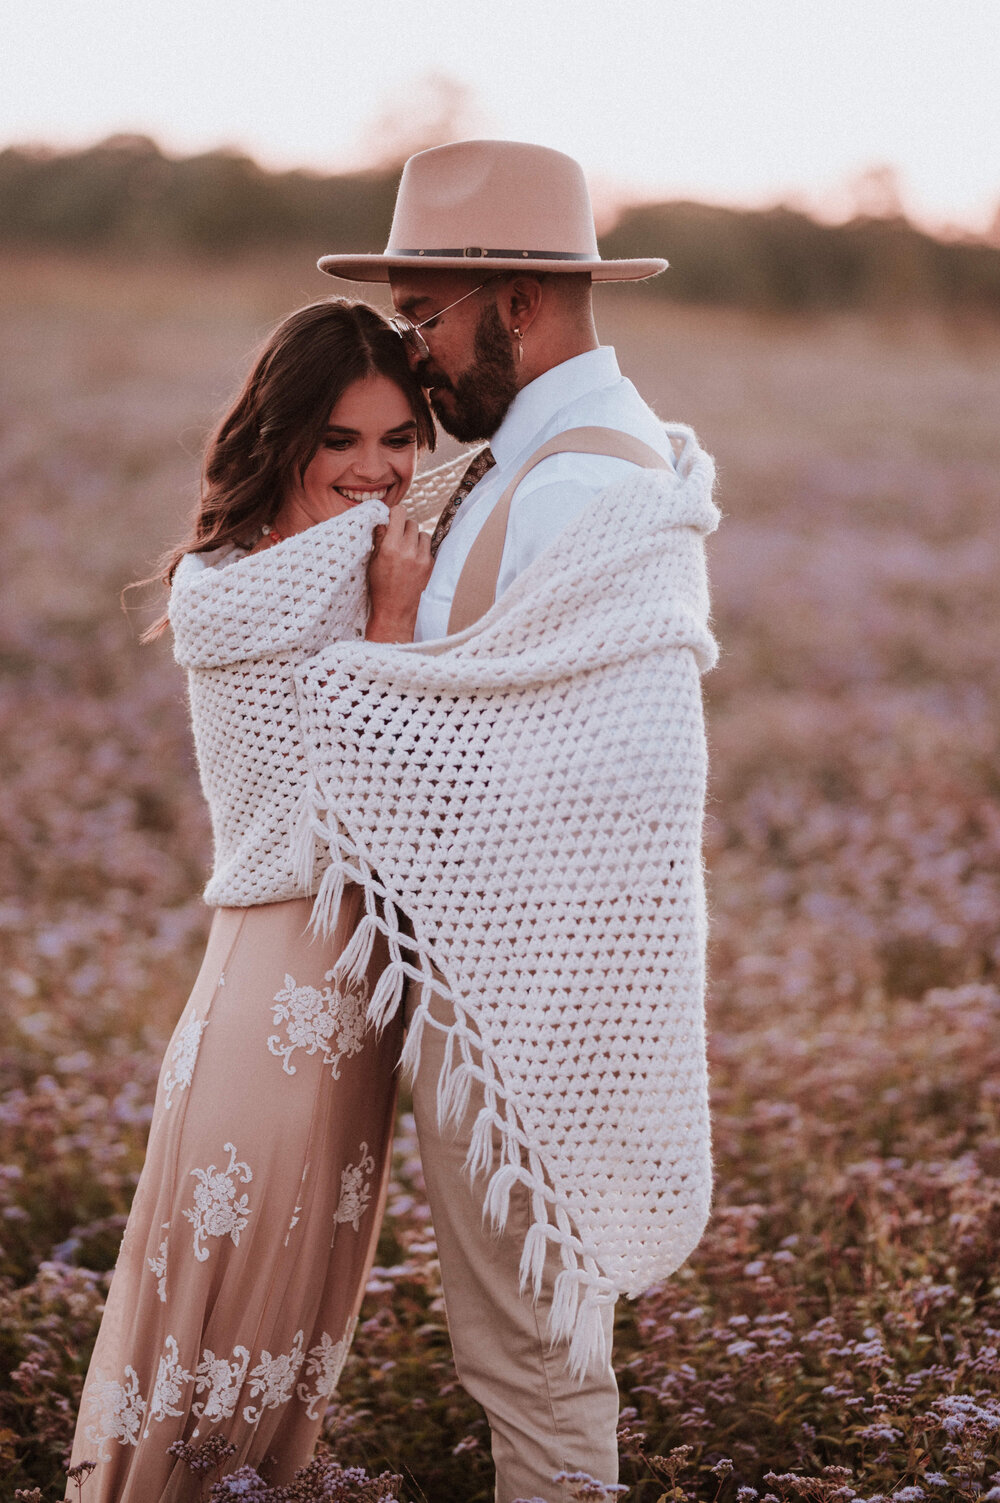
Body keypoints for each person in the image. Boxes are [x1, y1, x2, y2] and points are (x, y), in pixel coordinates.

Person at [293, 141, 720, 1503]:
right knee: (525, 1362)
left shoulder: (583, 485)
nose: (414, 355)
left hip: (534, 1016)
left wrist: (367, 670)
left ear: (519, 304)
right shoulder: (526, 464)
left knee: (537, 1373)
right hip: (501, 995)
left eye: (427, 317)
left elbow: (598, 780)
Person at [67, 298, 465, 1500]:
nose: (375, 471)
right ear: (281, 435)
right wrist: (397, 624)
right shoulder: (234, 595)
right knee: (219, 1320)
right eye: (339, 439)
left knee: (293, 1331)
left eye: (400, 440)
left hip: (354, 998)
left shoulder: (384, 549)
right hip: (283, 985)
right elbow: (358, 806)